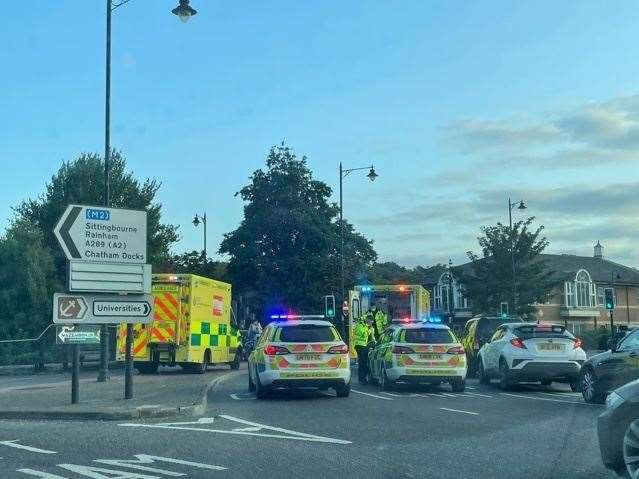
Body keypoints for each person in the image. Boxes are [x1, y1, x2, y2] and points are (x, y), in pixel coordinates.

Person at [354, 316, 375, 383]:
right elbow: (362, 334)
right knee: (363, 363)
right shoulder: (360, 325)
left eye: (372, 322)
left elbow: (372, 337)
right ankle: (362, 379)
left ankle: (363, 378)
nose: (371, 323)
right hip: (360, 345)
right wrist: (369, 329)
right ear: (367, 320)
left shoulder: (371, 328)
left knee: (364, 363)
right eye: (370, 321)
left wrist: (375, 343)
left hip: (366, 346)